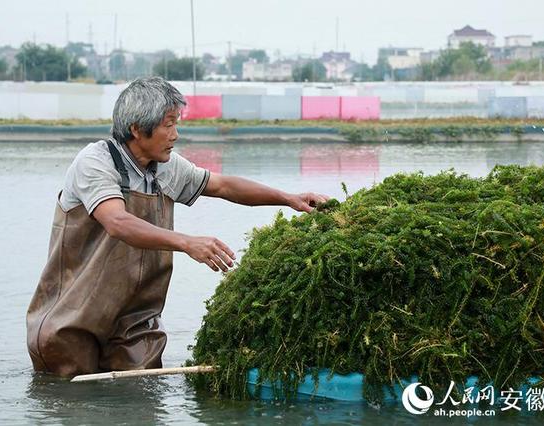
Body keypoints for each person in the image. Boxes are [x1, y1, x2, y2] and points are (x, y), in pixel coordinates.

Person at [26, 77, 329, 377]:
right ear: (136, 128)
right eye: (168, 124)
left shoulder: (167, 167)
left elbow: (222, 186)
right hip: (74, 322)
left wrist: (288, 198)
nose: (175, 134)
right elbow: (117, 222)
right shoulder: (96, 163)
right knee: (73, 406)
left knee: (143, 404)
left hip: (135, 327)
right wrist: (187, 243)